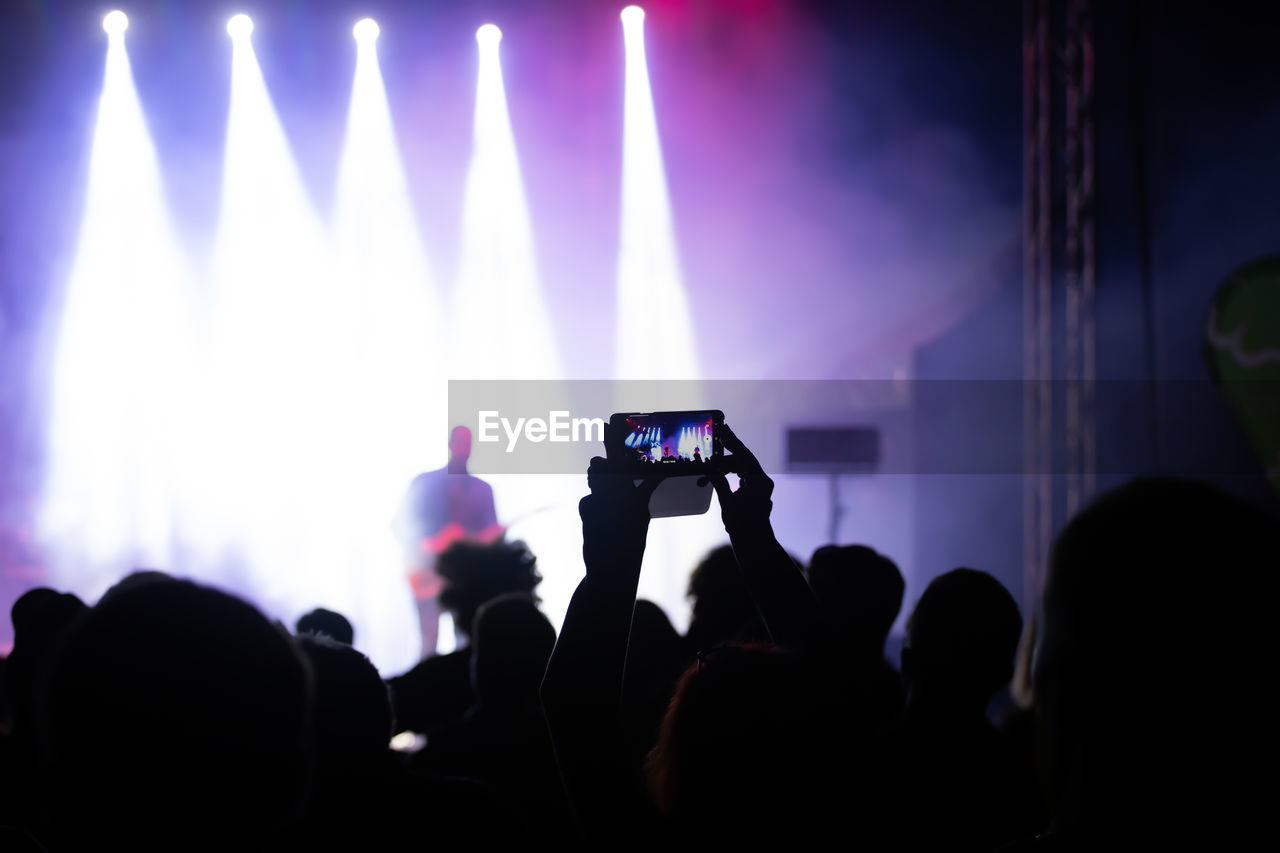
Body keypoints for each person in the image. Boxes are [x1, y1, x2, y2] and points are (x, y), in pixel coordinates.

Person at [394, 426, 503, 657]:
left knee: (465, 643)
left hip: (466, 579)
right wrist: (426, 549)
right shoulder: (424, 483)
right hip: (426, 575)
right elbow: (401, 525)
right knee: (428, 641)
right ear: (450, 444)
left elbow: (492, 536)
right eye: (460, 442)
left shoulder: (482, 490)